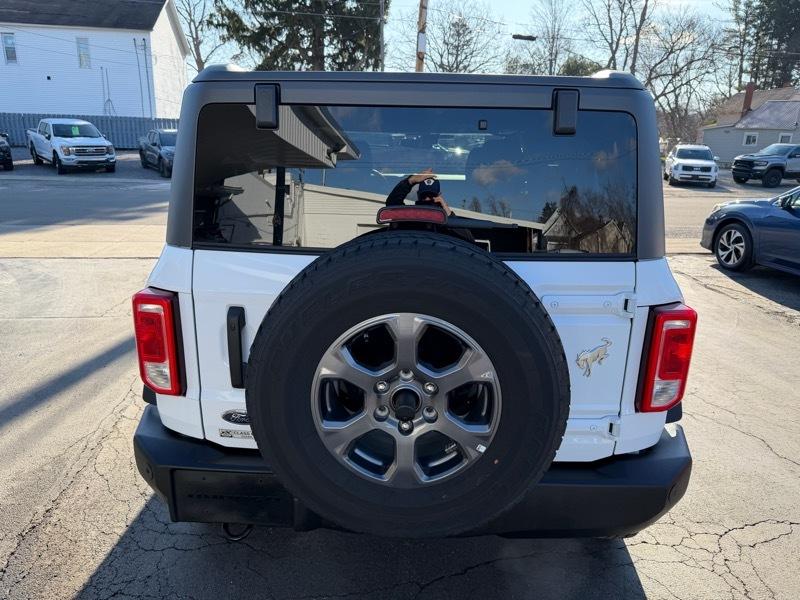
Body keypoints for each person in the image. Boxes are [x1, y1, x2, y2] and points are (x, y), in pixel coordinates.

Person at [384, 168, 454, 215]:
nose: (427, 199)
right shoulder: (410, 216)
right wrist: (410, 181)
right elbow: (392, 204)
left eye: (431, 196)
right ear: (418, 195)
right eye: (423, 196)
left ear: (439, 196)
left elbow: (459, 232)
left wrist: (445, 209)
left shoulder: (443, 220)